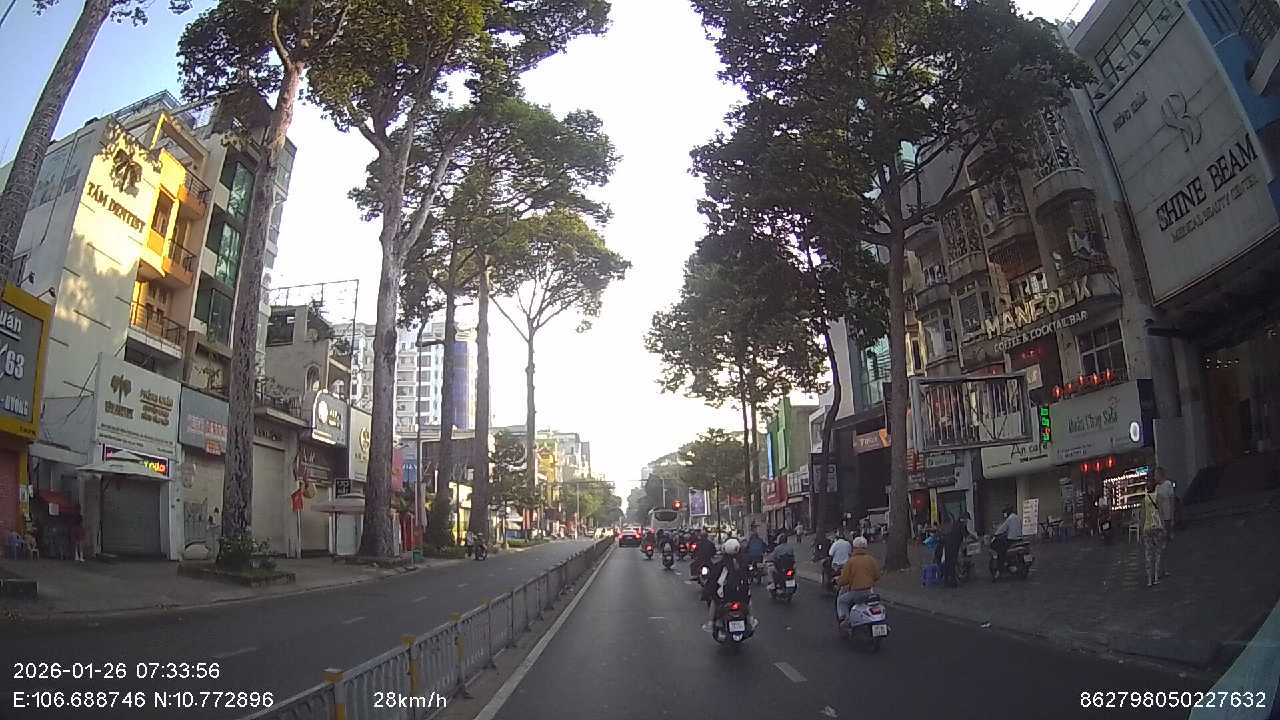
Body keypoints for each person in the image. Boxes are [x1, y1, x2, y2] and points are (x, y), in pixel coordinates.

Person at [702, 537, 752, 632]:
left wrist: (707, 591)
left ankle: (710, 623)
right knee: (748, 599)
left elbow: (713, 579)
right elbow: (748, 576)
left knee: (714, 600)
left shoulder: (721, 564)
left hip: (725, 595)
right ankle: (750, 619)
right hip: (741, 594)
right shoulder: (743, 562)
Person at [835, 536, 882, 629]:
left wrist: (838, 582)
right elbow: (877, 576)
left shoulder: (851, 561)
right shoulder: (871, 560)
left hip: (856, 592)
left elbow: (844, 579)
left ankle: (845, 620)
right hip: (869, 591)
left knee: (841, 601)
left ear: (854, 548)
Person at [1141, 476, 1167, 587]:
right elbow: (1161, 512)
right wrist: (1164, 526)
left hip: (1147, 528)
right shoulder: (1158, 497)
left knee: (1148, 554)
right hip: (1157, 527)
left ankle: (1149, 579)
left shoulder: (1145, 499)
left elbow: (1142, 516)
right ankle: (1156, 577)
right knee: (1157, 553)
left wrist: (1141, 530)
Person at [942, 512, 976, 587]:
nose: (967, 521)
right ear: (964, 519)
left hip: (950, 544)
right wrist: (973, 540)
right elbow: (966, 535)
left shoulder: (958, 524)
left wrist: (974, 537)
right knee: (952, 562)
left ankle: (947, 580)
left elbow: (967, 533)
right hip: (952, 545)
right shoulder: (961, 525)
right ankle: (951, 581)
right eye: (967, 520)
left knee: (949, 562)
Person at [1154, 467, 1176, 544]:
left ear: (1160, 475)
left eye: (1156, 475)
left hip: (1168, 515)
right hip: (1161, 516)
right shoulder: (1157, 487)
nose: (1155, 477)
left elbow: (1172, 500)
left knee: (1168, 535)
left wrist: (1172, 517)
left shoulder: (1168, 484)